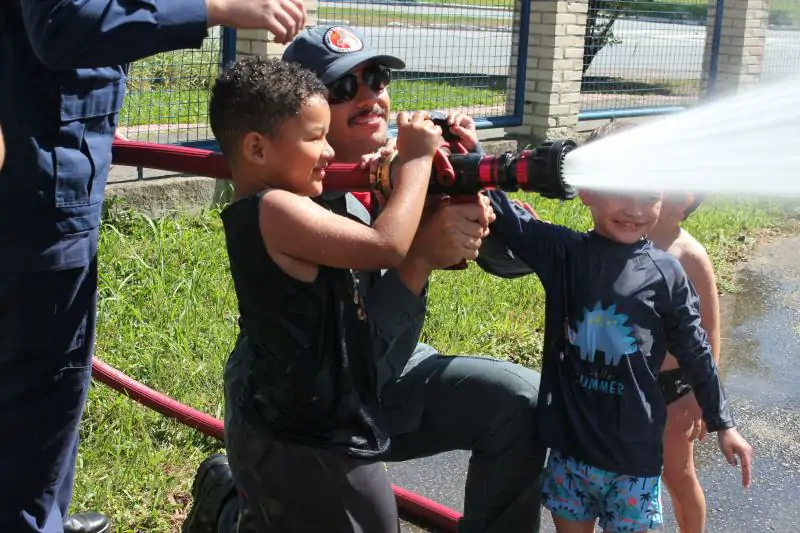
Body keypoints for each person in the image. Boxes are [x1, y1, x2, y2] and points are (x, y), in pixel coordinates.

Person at [183, 25, 548, 533]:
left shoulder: (394, 170)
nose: (370, 96)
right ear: (300, 108)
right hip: (307, 403)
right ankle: (228, 503)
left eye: (375, 78)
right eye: (343, 88)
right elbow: (352, 363)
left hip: (384, 375)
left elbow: (514, 260)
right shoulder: (295, 203)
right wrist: (418, 258)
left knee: (522, 401)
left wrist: (472, 174)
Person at [0, 1, 308, 531]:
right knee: (41, 393)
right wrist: (217, 7)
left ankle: (39, 510)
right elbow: (65, 24)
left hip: (47, 174)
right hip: (40, 201)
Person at [474, 146, 753, 531]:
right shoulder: (564, 253)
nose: (635, 209)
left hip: (633, 466)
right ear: (587, 190)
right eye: (622, 190)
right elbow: (499, 209)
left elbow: (696, 349)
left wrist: (724, 422)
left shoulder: (667, 272)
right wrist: (468, 147)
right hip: (571, 455)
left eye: (649, 195)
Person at [587, 120, 721, 533]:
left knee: (676, 474)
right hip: (621, 382)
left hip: (672, 391)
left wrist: (701, 395)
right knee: (609, 469)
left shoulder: (689, 255)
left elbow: (710, 331)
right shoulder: (619, 241)